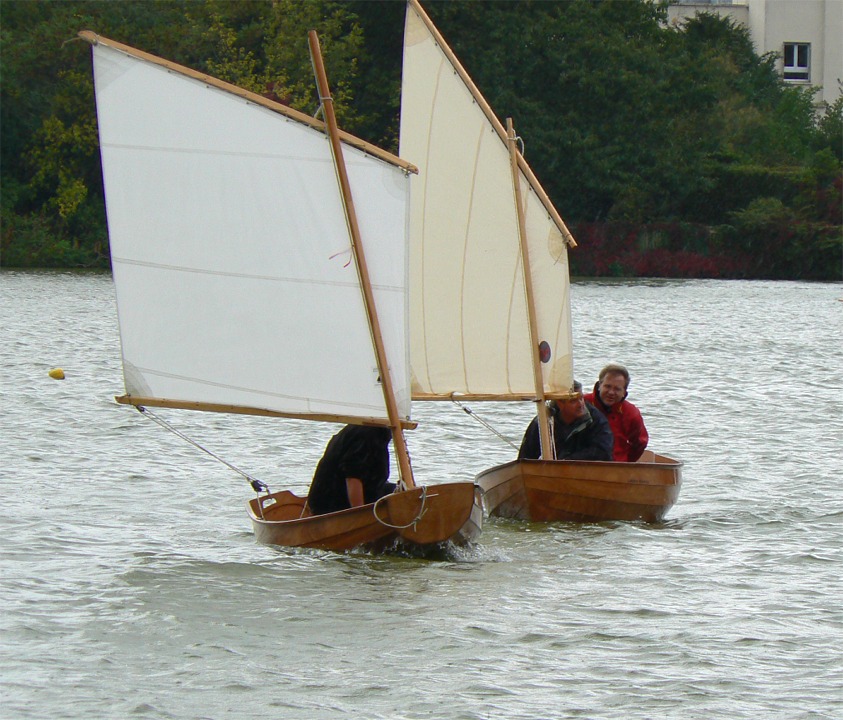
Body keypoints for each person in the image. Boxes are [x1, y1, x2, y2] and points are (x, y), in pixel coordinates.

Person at [306, 424, 396, 515]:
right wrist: (359, 515)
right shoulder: (368, 434)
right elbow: (353, 476)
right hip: (332, 505)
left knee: (396, 490)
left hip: (327, 498)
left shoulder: (364, 427)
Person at [518, 381, 613, 461]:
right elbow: (526, 456)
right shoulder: (543, 421)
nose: (581, 404)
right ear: (560, 403)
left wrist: (565, 461)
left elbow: (603, 452)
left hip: (588, 475)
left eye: (581, 398)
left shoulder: (596, 420)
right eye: (573, 401)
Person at [584, 363, 649, 462]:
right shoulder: (582, 404)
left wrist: (625, 462)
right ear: (599, 385)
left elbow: (640, 443)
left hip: (617, 467)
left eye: (617, 389)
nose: (611, 392)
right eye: (607, 386)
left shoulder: (631, 413)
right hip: (583, 464)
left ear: (624, 392)